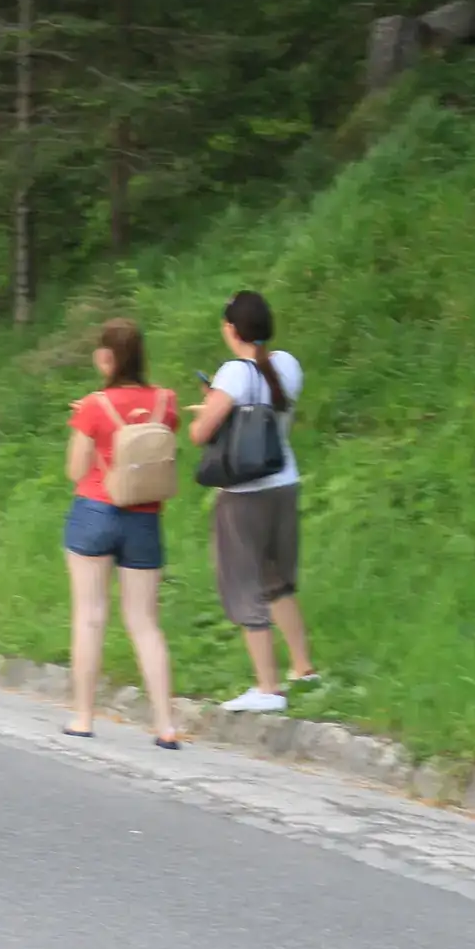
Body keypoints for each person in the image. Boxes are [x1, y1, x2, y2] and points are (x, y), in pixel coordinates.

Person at [188, 289, 318, 713]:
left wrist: (207, 406)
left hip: (244, 494)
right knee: (278, 580)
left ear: (231, 329)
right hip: (284, 483)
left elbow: (201, 433)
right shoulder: (288, 365)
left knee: (244, 585)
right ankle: (303, 668)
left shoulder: (233, 373)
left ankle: (267, 688)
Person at [62, 319, 181, 748]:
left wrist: (88, 423)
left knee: (90, 616)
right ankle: (166, 725)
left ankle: (83, 717)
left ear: (106, 357)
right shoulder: (166, 401)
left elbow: (75, 470)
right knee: (145, 623)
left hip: (96, 511)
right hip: (145, 517)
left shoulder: (93, 406)